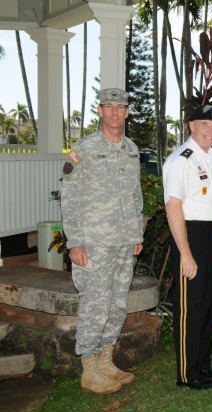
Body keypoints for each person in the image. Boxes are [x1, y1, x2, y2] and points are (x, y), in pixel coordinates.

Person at [60, 88, 144, 394]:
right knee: (96, 303)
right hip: (94, 243)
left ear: (126, 112)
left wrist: (137, 233)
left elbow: (136, 196)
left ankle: (106, 360)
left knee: (117, 302)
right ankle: (89, 368)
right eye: (108, 107)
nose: (114, 112)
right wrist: (75, 242)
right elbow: (69, 198)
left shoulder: (132, 150)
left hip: (124, 242)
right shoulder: (82, 149)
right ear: (100, 111)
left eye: (120, 107)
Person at [163, 105, 212, 390]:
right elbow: (173, 207)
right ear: (191, 126)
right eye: (204, 124)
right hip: (190, 237)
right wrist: (186, 253)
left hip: (211, 237)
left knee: (209, 306)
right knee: (191, 307)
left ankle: (203, 363)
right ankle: (188, 373)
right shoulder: (181, 160)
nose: (210, 131)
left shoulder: (211, 157)